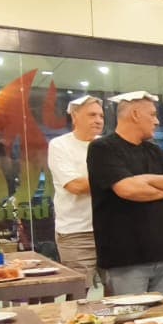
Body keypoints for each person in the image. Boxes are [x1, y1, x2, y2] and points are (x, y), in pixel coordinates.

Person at [87, 90, 163, 298]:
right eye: (152, 114)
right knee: (132, 318)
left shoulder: (154, 151)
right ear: (135, 114)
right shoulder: (102, 148)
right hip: (125, 260)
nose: (157, 121)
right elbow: (127, 189)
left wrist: (145, 179)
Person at [47, 95, 104, 286]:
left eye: (101, 116)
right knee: (80, 291)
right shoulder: (59, 145)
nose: (98, 120)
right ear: (74, 116)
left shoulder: (107, 145)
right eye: (92, 115)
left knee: (117, 292)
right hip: (76, 233)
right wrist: (114, 178)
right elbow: (76, 186)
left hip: (109, 229)